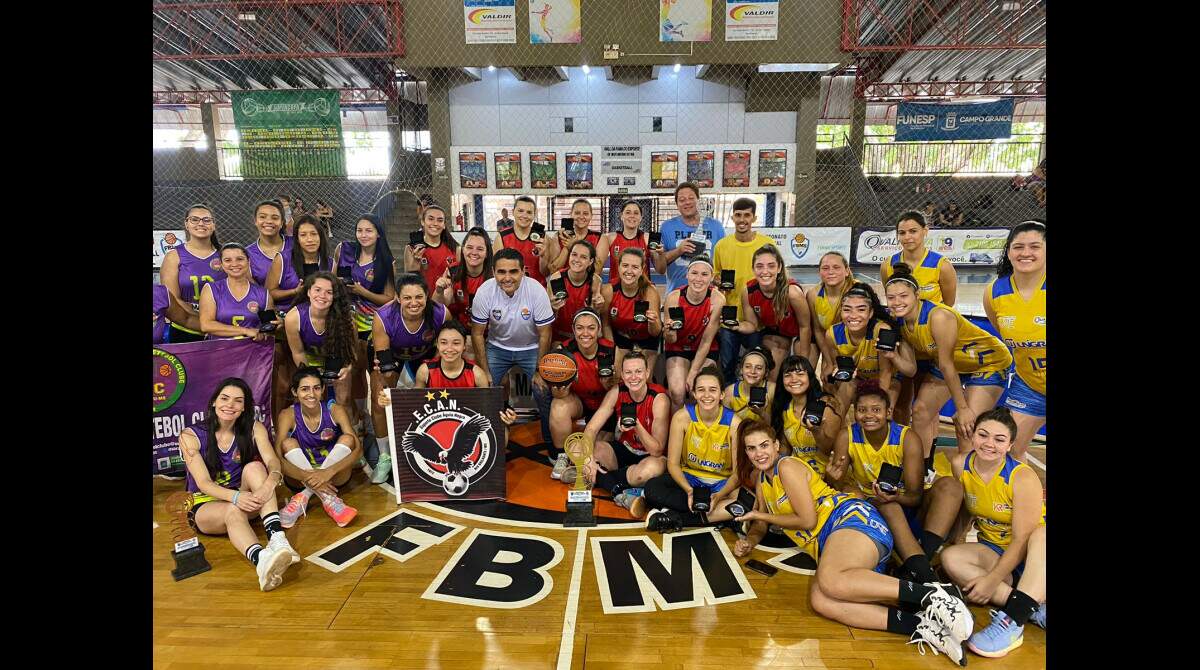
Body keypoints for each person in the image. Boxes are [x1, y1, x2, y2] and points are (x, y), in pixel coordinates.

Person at [731, 419, 973, 664]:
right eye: (751, 448)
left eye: (763, 446)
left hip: (848, 518)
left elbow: (806, 519)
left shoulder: (787, 466)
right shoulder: (762, 480)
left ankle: (936, 596)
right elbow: (761, 522)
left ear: (775, 445)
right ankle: (925, 628)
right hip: (833, 542)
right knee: (821, 600)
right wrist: (750, 540)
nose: (758, 453)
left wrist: (757, 515)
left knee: (829, 579)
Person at [827, 381, 964, 587]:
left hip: (904, 506)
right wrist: (832, 477)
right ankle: (924, 576)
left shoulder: (906, 437)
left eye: (876, 410)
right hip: (871, 510)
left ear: (889, 412)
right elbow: (835, 486)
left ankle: (918, 564)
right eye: (862, 410)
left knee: (951, 486)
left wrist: (896, 497)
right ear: (855, 413)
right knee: (886, 506)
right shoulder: (847, 436)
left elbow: (915, 495)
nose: (869, 415)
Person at [940, 408, 1046, 658]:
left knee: (1042, 535)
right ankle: (1033, 607)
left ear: (1010, 445)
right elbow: (966, 511)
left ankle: (1012, 622)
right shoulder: (960, 464)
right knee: (950, 558)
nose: (989, 444)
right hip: (996, 549)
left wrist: (990, 580)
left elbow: (1022, 540)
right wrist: (951, 543)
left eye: (999, 440)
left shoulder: (1022, 477)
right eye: (983, 435)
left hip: (1032, 554)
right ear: (973, 435)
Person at [178, 378, 301, 592]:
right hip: (206, 505)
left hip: (245, 499)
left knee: (255, 468)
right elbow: (204, 483)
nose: (230, 405)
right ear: (214, 402)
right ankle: (261, 560)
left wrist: (269, 484)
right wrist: (235, 497)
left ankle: (277, 538)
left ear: (244, 407)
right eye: (224, 399)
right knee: (232, 509)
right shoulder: (190, 436)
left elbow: (273, 462)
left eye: (237, 401)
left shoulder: (254, 427)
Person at [884, 263, 1013, 466]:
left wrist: (962, 408)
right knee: (920, 411)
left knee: (966, 425)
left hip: (987, 363)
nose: (897, 302)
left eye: (903, 296)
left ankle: (969, 480)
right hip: (954, 363)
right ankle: (923, 470)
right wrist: (893, 356)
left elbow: (946, 365)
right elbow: (911, 369)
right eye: (891, 297)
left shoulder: (938, 316)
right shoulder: (900, 321)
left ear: (917, 295)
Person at [368, 273, 449, 484]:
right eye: (407, 298)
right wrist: (386, 380)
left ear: (427, 296)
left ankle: (435, 445)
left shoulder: (440, 313)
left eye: (419, 297)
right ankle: (385, 456)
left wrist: (434, 370)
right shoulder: (383, 317)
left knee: (435, 393)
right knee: (380, 399)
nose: (414, 303)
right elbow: (384, 362)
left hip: (424, 353)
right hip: (391, 355)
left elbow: (447, 344)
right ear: (397, 298)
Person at [642, 366, 745, 532]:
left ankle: (676, 517)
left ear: (721, 394)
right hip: (690, 479)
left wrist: (718, 496)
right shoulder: (682, 417)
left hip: (721, 483)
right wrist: (689, 491)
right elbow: (673, 464)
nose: (706, 395)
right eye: (701, 390)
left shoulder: (735, 423)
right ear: (694, 394)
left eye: (712, 390)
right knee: (652, 488)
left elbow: (737, 473)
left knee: (746, 502)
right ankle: (721, 518)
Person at [471, 247, 555, 447]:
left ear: (523, 271)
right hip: (497, 348)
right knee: (485, 389)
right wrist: (484, 370)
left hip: (531, 348)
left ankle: (553, 447)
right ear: (493, 272)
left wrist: (539, 370)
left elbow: (545, 333)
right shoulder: (485, 291)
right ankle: (490, 446)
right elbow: (476, 333)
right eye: (501, 272)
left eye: (513, 271)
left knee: (543, 391)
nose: (507, 277)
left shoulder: (536, 290)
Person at [572, 350, 671, 518]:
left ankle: (604, 481)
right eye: (629, 372)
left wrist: (636, 425)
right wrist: (588, 458)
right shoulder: (617, 392)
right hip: (624, 449)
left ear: (647, 373)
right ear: (623, 376)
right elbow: (591, 429)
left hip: (649, 456)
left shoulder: (659, 398)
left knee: (645, 473)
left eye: (638, 372)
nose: (634, 377)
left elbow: (657, 450)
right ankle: (621, 489)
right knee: (577, 448)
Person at [983, 221, 1046, 461]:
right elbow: (1003, 332)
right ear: (1008, 252)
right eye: (1018, 247)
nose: (1026, 253)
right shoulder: (994, 293)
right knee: (1007, 449)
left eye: (1034, 246)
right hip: (1030, 386)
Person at [274, 366, 361, 528]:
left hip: (333, 476)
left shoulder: (335, 410)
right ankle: (328, 499)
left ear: (322, 390)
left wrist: (329, 471)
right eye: (304, 389)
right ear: (295, 392)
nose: (311, 394)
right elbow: (276, 456)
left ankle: (303, 497)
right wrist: (308, 477)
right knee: (287, 443)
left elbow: (358, 449)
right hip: (299, 477)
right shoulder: (288, 414)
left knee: (349, 439)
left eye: (316, 388)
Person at [334, 214, 396, 429]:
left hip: (374, 324)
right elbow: (332, 282)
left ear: (378, 233)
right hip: (349, 321)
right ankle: (362, 418)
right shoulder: (344, 250)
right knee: (356, 371)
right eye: (360, 230)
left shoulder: (386, 261)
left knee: (374, 373)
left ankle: (379, 425)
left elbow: (390, 299)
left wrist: (361, 291)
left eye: (369, 230)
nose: (363, 235)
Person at [712, 197, 775, 383]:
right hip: (730, 316)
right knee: (727, 364)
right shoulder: (722, 245)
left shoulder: (766, 244)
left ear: (754, 218)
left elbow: (776, 274)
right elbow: (715, 275)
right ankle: (731, 401)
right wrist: (719, 281)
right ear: (732, 217)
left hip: (757, 318)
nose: (742, 219)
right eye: (738, 215)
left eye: (747, 215)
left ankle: (755, 402)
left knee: (756, 364)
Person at [547, 309, 619, 469]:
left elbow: (619, 389)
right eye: (580, 328)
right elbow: (558, 394)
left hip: (605, 406)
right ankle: (561, 456)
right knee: (558, 405)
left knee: (592, 451)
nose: (585, 333)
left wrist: (608, 383)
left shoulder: (612, 350)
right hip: (580, 402)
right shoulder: (564, 352)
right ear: (573, 330)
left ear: (599, 330)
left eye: (591, 328)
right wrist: (560, 388)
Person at [824, 283, 915, 409]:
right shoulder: (832, 334)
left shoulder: (881, 330)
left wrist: (875, 403)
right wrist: (837, 378)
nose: (853, 315)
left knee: (880, 410)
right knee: (840, 396)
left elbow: (885, 372)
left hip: (887, 380)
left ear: (871, 313)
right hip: (859, 378)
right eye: (847, 309)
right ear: (841, 311)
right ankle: (839, 424)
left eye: (861, 309)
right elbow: (837, 366)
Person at [283, 272, 357, 416]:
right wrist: (311, 378)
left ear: (334, 296)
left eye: (329, 292)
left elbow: (352, 352)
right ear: (309, 292)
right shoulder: (293, 317)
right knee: (311, 398)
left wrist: (348, 368)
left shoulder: (347, 320)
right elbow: (298, 353)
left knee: (344, 399)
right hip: (308, 359)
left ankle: (351, 432)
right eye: (318, 290)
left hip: (336, 359)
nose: (322, 296)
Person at [731, 245, 812, 371]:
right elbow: (753, 325)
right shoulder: (748, 292)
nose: (765, 271)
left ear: (779, 268)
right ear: (753, 269)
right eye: (759, 266)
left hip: (801, 334)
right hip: (778, 333)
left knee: (801, 371)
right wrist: (737, 325)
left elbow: (805, 327)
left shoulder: (792, 292)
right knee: (770, 372)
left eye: (771, 266)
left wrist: (804, 361)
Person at [661, 257, 724, 412]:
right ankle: (678, 431)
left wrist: (693, 372)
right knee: (677, 392)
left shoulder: (717, 299)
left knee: (702, 391)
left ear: (711, 277)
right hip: (678, 346)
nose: (698, 279)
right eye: (694, 273)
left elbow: (707, 340)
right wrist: (668, 332)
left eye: (704, 274)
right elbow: (670, 339)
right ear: (687, 275)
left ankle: (702, 429)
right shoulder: (674, 298)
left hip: (704, 349)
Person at [768, 355, 845, 476]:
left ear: (810, 377)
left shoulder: (826, 405)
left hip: (828, 472)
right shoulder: (784, 408)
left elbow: (829, 449)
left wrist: (816, 431)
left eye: (800, 374)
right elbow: (785, 447)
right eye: (788, 375)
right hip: (797, 471)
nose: (794, 379)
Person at [160, 203, 225, 343]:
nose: (201, 223)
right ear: (186, 224)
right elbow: (173, 300)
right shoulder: (174, 256)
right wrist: (204, 324)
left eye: (206, 220)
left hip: (223, 327)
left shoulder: (225, 254)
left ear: (214, 225)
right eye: (194, 219)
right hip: (184, 328)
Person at [600, 247, 662, 374]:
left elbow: (656, 333)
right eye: (625, 265)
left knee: (642, 377)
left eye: (634, 267)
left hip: (646, 340)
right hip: (621, 339)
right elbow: (605, 324)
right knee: (616, 377)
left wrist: (653, 322)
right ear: (618, 267)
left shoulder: (650, 293)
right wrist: (612, 350)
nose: (629, 271)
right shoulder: (609, 291)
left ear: (642, 269)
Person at [655, 182, 726, 293]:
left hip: (708, 296)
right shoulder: (666, 227)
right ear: (677, 204)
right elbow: (660, 268)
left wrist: (721, 283)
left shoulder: (716, 226)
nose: (687, 202)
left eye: (691, 198)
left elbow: (724, 261)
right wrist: (679, 250)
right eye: (682, 200)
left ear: (698, 200)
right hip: (676, 293)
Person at [198, 243, 276, 340]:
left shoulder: (263, 294)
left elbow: (269, 327)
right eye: (227, 260)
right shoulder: (211, 289)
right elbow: (206, 325)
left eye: (240, 259)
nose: (234, 264)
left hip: (253, 351)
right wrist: (245, 331)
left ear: (248, 261)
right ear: (221, 264)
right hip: (219, 351)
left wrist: (274, 326)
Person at [881, 211, 957, 306]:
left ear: (925, 231)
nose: (907, 237)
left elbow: (949, 304)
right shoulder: (887, 265)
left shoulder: (942, 266)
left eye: (913, 231)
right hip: (900, 320)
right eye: (902, 233)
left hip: (932, 320)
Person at [436, 227, 494, 342]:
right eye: (469, 247)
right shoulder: (453, 271)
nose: (474, 252)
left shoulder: (495, 274)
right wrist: (439, 291)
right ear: (462, 250)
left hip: (489, 333)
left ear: (487, 253)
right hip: (459, 331)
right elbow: (440, 306)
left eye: (480, 249)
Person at [807, 251, 855, 379]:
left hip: (856, 345)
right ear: (819, 273)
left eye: (836, 267)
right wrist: (829, 361)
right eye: (825, 268)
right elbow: (818, 330)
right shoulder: (813, 295)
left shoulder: (859, 290)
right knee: (828, 378)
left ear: (846, 271)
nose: (830, 272)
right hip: (830, 345)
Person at [546, 239, 604, 342]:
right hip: (559, 336)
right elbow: (547, 319)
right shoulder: (556, 278)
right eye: (574, 255)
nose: (577, 260)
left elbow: (596, 321)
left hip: (584, 337)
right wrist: (553, 309)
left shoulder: (596, 281)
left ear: (590, 261)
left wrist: (598, 309)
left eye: (583, 257)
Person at [493, 196, 549, 287]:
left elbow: (545, 272)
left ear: (534, 215)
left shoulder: (542, 237)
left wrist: (543, 256)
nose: (524, 215)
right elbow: (497, 271)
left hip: (536, 289)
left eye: (529, 212)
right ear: (513, 212)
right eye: (520, 211)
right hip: (510, 289)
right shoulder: (501, 237)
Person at [404, 204, 460, 291]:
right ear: (423, 222)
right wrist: (416, 260)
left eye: (440, 220)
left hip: (447, 301)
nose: (435, 223)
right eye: (430, 219)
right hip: (423, 301)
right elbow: (409, 281)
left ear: (444, 225)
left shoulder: (455, 249)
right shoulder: (411, 248)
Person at [595, 200, 651, 285]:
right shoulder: (608, 238)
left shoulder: (648, 239)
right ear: (621, 216)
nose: (632, 216)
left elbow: (661, 269)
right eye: (628, 212)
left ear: (641, 217)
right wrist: (597, 289)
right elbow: (597, 269)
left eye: (636, 213)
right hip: (616, 291)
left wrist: (659, 255)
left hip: (642, 290)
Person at [544, 198, 603, 275]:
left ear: (591, 216)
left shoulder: (599, 237)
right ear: (571, 214)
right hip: (562, 285)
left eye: (585, 213)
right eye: (577, 213)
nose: (581, 217)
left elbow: (596, 271)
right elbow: (553, 269)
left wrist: (575, 246)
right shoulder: (558, 237)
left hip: (587, 285)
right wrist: (568, 247)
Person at [722, 346, 777, 423]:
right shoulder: (729, 392)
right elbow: (726, 425)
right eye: (748, 367)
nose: (752, 371)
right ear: (741, 369)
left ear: (766, 372)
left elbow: (778, 427)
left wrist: (762, 413)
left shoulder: (772, 390)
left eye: (759, 368)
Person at [291, 214, 334, 281]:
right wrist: (295, 291)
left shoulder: (331, 264)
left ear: (320, 236)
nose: (309, 239)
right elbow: (273, 290)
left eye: (314, 234)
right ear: (297, 239)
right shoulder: (284, 261)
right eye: (303, 235)